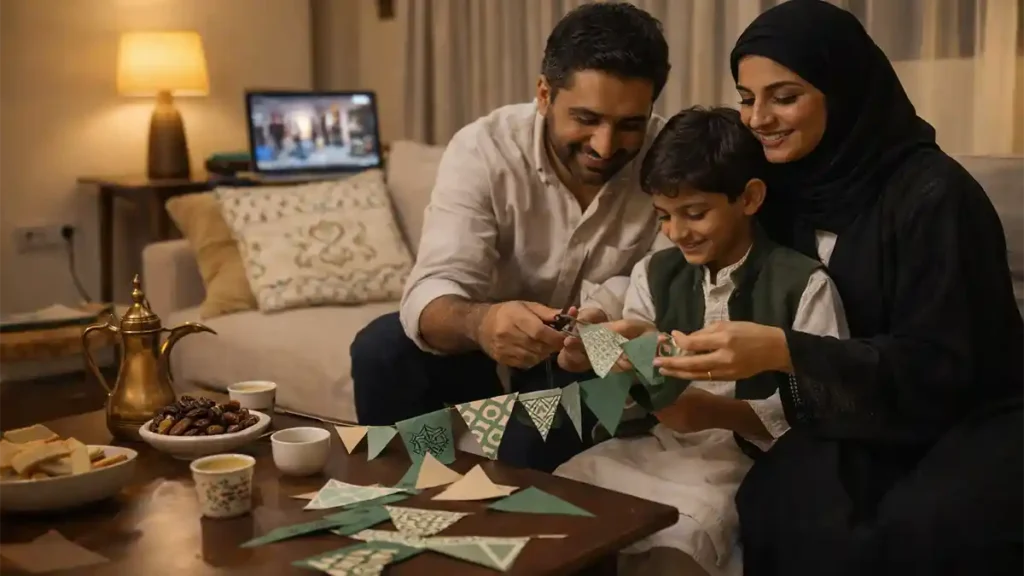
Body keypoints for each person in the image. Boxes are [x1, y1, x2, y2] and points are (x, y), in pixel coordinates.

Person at [650, 2, 1024, 575]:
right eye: (748, 98)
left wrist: (785, 350)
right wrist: (634, 329)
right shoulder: (776, 187)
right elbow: (706, 257)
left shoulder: (936, 196)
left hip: (965, 417)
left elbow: (945, 366)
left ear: (841, 91)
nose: (757, 118)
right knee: (780, 499)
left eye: (785, 96)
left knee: (918, 531)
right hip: (856, 415)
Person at [350, 2, 673, 473]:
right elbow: (431, 291)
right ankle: (405, 498)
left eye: (629, 125)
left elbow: (667, 293)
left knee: (526, 447)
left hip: (591, 366)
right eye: (586, 119)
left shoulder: (670, 161)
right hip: (478, 355)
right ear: (544, 94)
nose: (605, 146)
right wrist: (481, 323)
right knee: (381, 349)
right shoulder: (483, 149)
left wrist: (607, 319)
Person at [553, 106, 847, 576]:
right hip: (649, 445)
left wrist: (715, 413)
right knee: (558, 500)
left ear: (749, 198)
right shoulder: (655, 273)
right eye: (663, 216)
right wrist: (598, 354)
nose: (676, 232)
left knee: (682, 537)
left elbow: (825, 409)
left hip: (744, 462)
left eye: (694, 213)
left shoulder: (802, 283)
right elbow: (634, 389)